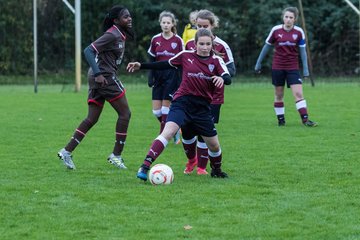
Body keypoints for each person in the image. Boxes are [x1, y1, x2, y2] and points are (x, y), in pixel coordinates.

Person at [127, 28, 231, 181]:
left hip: (202, 108)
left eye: (208, 44)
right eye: (201, 44)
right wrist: (141, 65)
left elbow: (227, 77)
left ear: (212, 45)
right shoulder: (185, 56)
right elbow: (164, 64)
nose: (205, 47)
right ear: (195, 44)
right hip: (182, 102)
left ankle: (216, 169)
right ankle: (145, 166)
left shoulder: (216, 60)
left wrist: (222, 79)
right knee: (167, 132)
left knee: (214, 146)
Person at [57, 5, 134, 170]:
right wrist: (99, 74)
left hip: (98, 77)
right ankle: (116, 155)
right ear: (116, 20)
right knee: (125, 114)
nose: (129, 19)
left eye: (129, 16)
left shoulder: (119, 34)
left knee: (92, 118)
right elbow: (88, 51)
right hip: (104, 78)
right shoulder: (112, 34)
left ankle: (66, 151)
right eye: (125, 17)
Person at [184, 9, 236, 175]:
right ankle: (192, 161)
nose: (200, 28)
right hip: (191, 95)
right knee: (187, 130)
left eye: (204, 25)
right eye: (198, 25)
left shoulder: (222, 46)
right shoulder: (190, 44)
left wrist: (218, 72)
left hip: (213, 97)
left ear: (213, 26)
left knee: (204, 133)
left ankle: (201, 167)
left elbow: (231, 70)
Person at [254, 7, 317, 127]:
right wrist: (258, 63)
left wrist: (306, 69)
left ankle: (305, 120)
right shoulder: (276, 30)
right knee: (279, 94)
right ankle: (281, 121)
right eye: (286, 17)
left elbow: (303, 52)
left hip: (292, 67)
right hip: (278, 67)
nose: (288, 19)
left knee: (298, 93)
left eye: (291, 17)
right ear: (283, 17)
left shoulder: (299, 32)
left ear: (295, 19)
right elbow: (266, 46)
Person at [147, 11, 184, 144]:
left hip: (172, 75)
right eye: (164, 22)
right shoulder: (155, 39)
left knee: (165, 109)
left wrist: (181, 79)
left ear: (172, 24)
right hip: (158, 76)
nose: (166, 25)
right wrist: (150, 75)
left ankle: (162, 137)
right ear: (160, 23)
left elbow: (182, 60)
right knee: (156, 111)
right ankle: (174, 128)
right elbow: (151, 58)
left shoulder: (178, 40)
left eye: (168, 22)